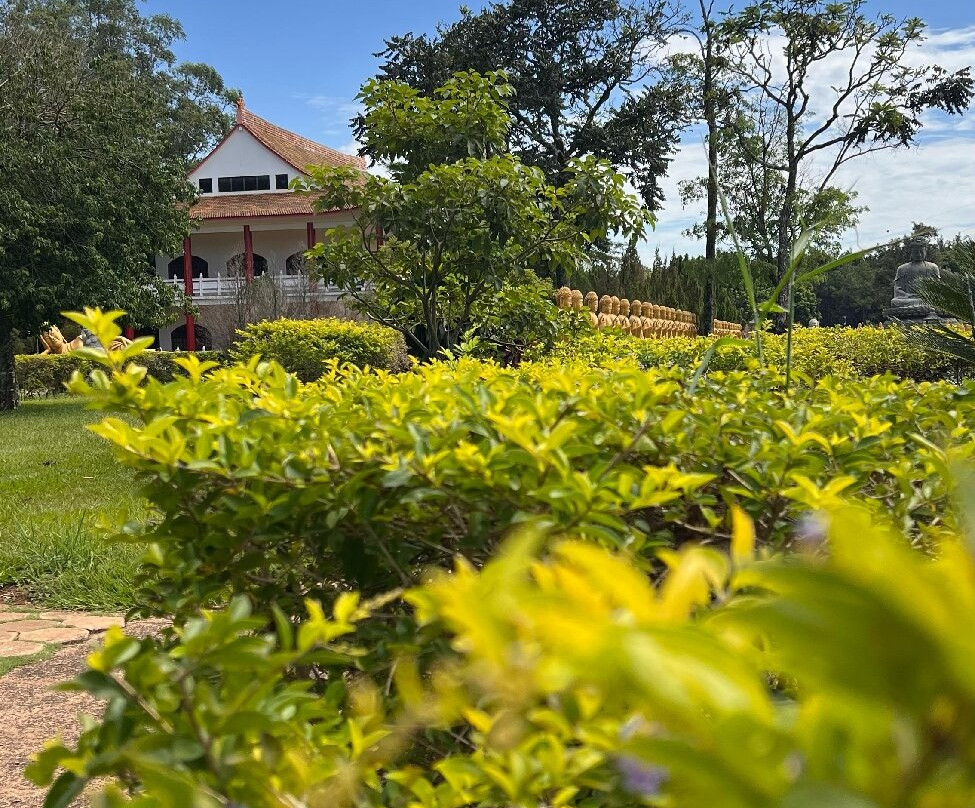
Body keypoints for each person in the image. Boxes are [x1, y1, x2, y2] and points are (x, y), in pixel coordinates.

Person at [889, 239, 941, 319]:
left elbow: (938, 288)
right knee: (895, 302)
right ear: (911, 253)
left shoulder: (933, 267)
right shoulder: (902, 269)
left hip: (928, 299)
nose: (919, 255)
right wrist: (907, 295)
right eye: (916, 252)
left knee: (939, 302)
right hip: (909, 299)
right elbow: (897, 289)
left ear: (925, 251)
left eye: (921, 252)